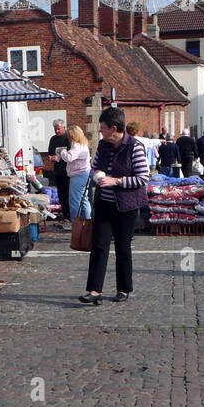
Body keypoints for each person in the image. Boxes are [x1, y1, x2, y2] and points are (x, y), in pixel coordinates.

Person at [80, 107, 148, 305]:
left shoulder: (134, 147)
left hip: (126, 206)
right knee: (99, 246)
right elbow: (94, 168)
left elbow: (143, 178)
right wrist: (97, 175)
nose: (100, 131)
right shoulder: (103, 145)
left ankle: (124, 289)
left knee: (122, 248)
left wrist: (116, 181)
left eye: (102, 128)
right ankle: (94, 290)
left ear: (114, 128)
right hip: (104, 203)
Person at [57, 124, 92, 222]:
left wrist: (62, 151)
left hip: (78, 175)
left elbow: (69, 157)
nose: (68, 136)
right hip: (84, 173)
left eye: (69, 134)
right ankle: (87, 220)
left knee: (74, 200)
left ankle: (75, 222)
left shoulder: (77, 145)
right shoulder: (83, 144)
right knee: (83, 199)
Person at [47, 119, 72, 223]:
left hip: (68, 170)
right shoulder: (53, 139)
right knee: (61, 194)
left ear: (64, 128)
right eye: (55, 129)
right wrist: (51, 157)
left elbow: (71, 153)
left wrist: (60, 157)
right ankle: (65, 214)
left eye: (58, 129)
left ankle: (70, 215)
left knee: (68, 193)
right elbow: (50, 152)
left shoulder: (68, 138)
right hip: (58, 170)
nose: (57, 131)